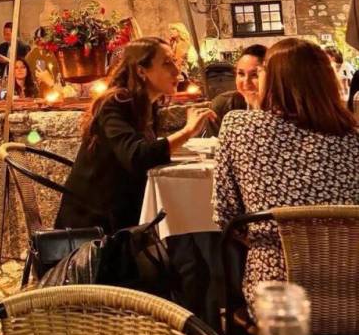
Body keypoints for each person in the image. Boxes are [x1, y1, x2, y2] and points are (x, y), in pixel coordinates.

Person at [213, 37, 359, 316]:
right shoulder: (352, 139)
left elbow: (226, 216)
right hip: (350, 289)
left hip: (276, 294)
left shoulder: (237, 126)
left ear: (274, 79)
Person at [55, 37, 217, 233]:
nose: (177, 70)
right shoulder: (116, 103)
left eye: (175, 61)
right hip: (96, 225)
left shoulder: (146, 105)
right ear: (141, 71)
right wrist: (187, 131)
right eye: (167, 63)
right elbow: (137, 156)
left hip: (124, 212)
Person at [208, 44, 267, 135]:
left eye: (255, 75)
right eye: (241, 74)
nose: (246, 82)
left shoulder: (282, 108)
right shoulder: (223, 105)